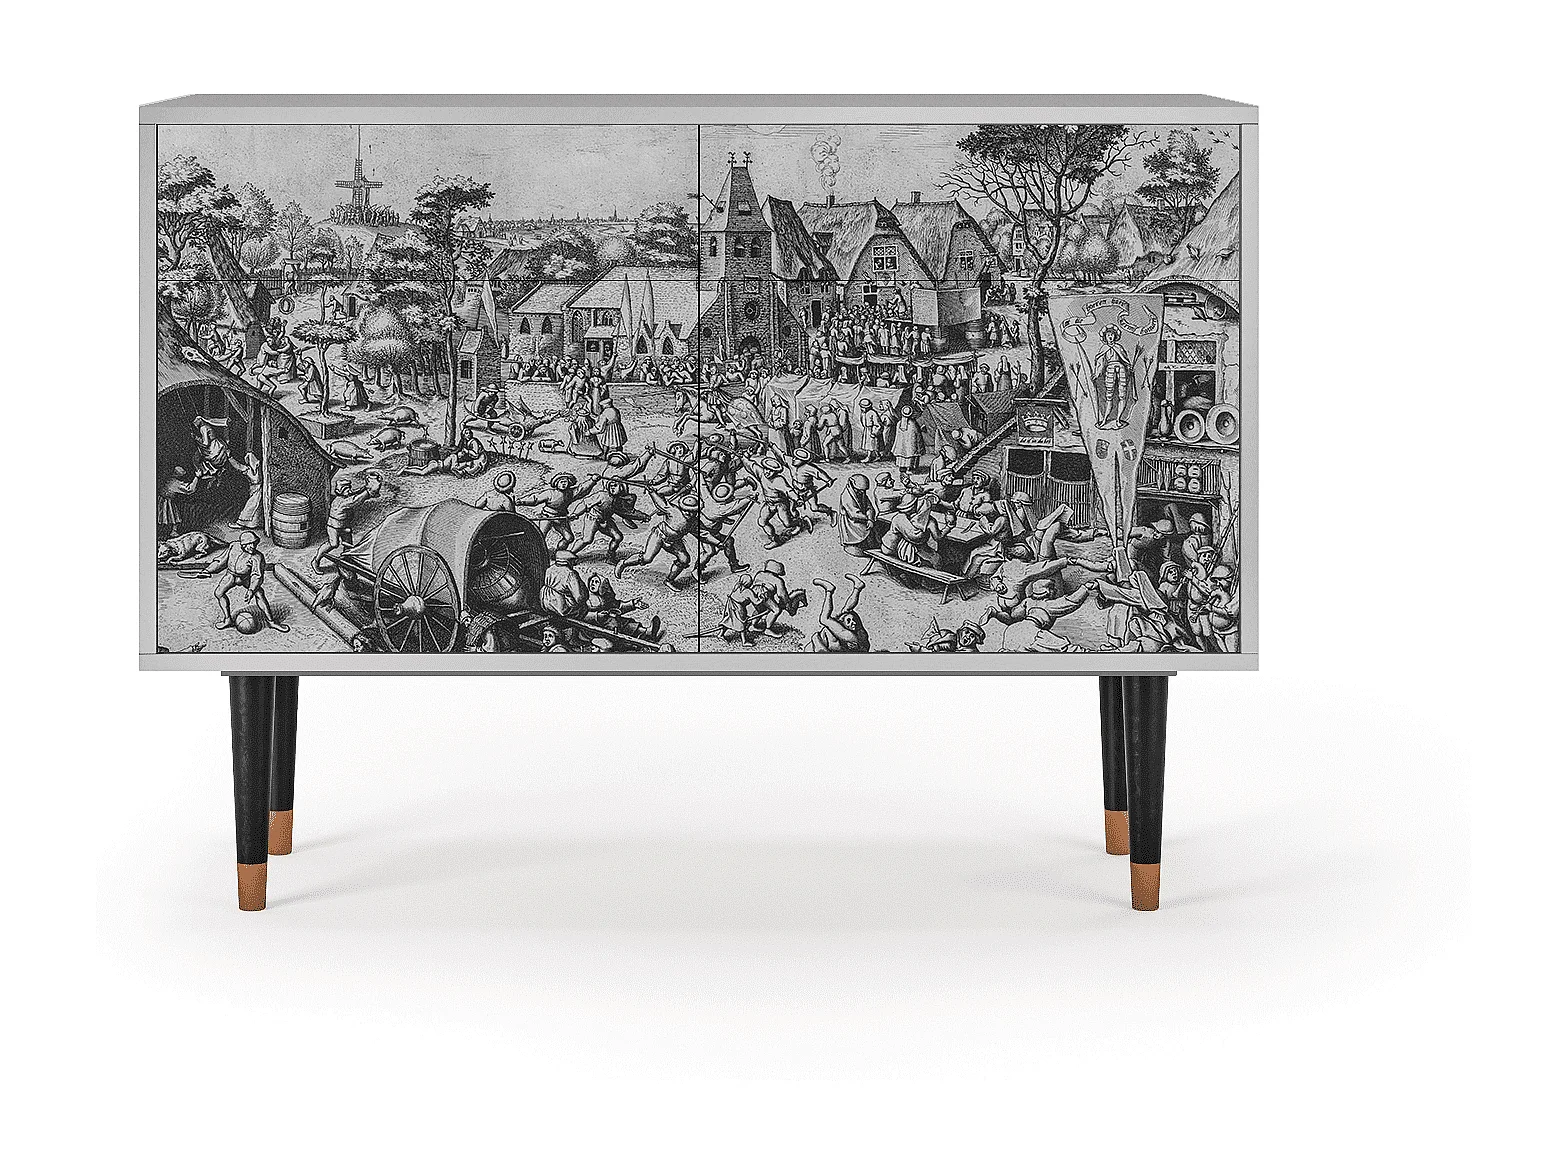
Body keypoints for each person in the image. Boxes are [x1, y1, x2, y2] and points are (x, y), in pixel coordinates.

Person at [312, 472, 382, 608]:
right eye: (346, 489)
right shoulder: (342, 502)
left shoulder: (345, 496)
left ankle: (347, 568)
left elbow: (355, 493)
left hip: (344, 526)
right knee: (333, 544)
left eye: (349, 489)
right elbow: (356, 500)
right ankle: (316, 560)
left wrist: (366, 486)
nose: (349, 491)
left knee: (349, 547)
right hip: (334, 527)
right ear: (341, 491)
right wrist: (369, 491)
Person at [206, 531, 289, 633]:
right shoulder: (234, 546)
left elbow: (256, 575)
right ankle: (227, 620)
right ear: (243, 544)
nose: (252, 546)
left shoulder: (257, 557)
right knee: (219, 593)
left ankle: (271, 622)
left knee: (259, 594)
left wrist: (251, 590)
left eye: (254, 543)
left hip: (245, 578)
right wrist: (207, 570)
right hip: (231, 575)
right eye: (249, 544)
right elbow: (221, 560)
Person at [568, 476, 649, 560]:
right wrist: (575, 513)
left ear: (621, 487)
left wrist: (643, 516)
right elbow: (585, 504)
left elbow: (629, 513)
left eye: (615, 485)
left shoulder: (620, 500)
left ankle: (610, 556)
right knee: (587, 540)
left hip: (605, 520)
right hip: (592, 519)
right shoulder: (601, 495)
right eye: (611, 486)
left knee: (618, 537)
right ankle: (569, 554)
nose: (612, 488)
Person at [808, 574, 870, 652]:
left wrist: (815, 638)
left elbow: (825, 619)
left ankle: (829, 590)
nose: (854, 623)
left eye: (854, 620)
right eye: (849, 621)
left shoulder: (849, 635)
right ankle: (857, 588)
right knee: (845, 610)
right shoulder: (855, 634)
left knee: (824, 619)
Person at [1092, 324, 1134, 428]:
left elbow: (1125, 360)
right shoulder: (1104, 348)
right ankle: (1104, 420)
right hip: (1110, 370)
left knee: (1122, 396)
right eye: (1108, 335)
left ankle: (1118, 420)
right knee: (1109, 396)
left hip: (1121, 370)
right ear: (1105, 337)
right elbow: (1100, 363)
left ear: (1115, 336)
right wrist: (1096, 374)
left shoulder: (1119, 347)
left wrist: (1129, 366)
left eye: (1112, 335)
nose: (1110, 337)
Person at [539, 549, 588, 619]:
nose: (574, 564)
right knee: (583, 607)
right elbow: (579, 598)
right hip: (560, 606)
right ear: (568, 561)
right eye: (573, 561)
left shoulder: (550, 569)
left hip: (546, 603)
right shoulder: (570, 573)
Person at [837, 473, 877, 552]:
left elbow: (869, 507)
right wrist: (867, 519)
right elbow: (854, 514)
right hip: (852, 523)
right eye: (859, 490)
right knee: (857, 539)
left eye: (863, 491)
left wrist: (870, 519)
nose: (862, 492)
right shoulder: (846, 496)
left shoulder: (862, 493)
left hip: (864, 520)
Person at [892, 404, 923, 473]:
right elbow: (917, 433)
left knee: (902, 455)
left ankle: (902, 467)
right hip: (910, 445)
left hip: (901, 445)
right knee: (910, 454)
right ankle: (909, 469)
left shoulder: (899, 423)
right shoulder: (912, 423)